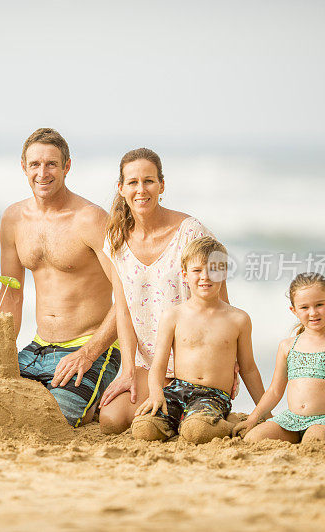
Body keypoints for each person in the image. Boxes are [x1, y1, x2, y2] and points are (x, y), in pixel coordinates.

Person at [98, 148, 236, 435]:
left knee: (189, 426)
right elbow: (123, 309)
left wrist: (230, 362)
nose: (141, 190)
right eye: (133, 182)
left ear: (162, 185)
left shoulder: (190, 232)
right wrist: (127, 371)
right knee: (111, 420)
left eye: (148, 181)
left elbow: (220, 298)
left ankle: (203, 417)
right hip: (151, 365)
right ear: (121, 188)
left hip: (195, 363)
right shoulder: (115, 240)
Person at [0, 127, 119, 427]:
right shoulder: (13, 219)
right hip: (38, 348)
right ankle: (90, 406)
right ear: (23, 167)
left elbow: (128, 292)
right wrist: (0, 350)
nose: (43, 172)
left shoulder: (90, 219)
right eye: (35, 164)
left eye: (52, 163)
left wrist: (88, 354)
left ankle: (90, 398)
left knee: (49, 421)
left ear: (67, 166)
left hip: (91, 347)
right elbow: (11, 294)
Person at [131, 237, 266, 444]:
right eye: (197, 271)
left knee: (197, 431)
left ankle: (227, 423)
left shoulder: (239, 319)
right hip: (177, 390)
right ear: (184, 275)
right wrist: (156, 393)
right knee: (144, 428)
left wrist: (264, 412)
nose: (205, 277)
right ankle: (183, 423)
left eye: (213, 269)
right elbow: (157, 365)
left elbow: (248, 369)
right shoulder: (173, 316)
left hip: (213, 396)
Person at [232, 273, 325, 443]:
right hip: (291, 420)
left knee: (314, 440)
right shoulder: (287, 346)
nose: (313, 312)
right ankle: (301, 438)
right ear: (294, 310)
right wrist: (253, 418)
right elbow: (274, 391)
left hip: (324, 421)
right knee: (253, 438)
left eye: (319, 305)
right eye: (304, 307)